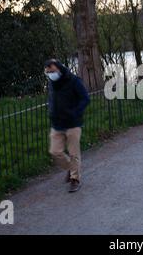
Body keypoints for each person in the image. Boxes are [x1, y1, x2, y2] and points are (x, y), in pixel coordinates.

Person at [44, 59, 90, 193]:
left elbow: (85, 98)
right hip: (57, 124)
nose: (50, 74)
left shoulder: (74, 81)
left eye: (52, 71)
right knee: (55, 152)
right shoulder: (52, 83)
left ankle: (75, 179)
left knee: (74, 153)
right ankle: (72, 168)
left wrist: (75, 113)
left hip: (72, 124)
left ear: (59, 69)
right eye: (48, 72)